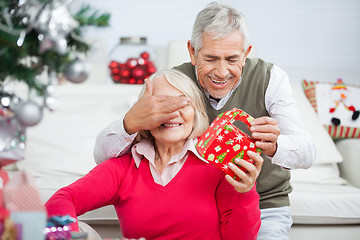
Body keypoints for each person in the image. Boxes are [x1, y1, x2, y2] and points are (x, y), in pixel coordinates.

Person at [93, 2, 316, 240]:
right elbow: (102, 157)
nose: (221, 72)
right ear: (192, 51)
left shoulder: (271, 78)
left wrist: (275, 145)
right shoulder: (174, 82)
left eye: (232, 59)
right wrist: (131, 122)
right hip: (198, 208)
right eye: (210, 58)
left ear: (247, 52)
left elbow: (307, 154)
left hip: (263, 208)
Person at [46, 69, 264, 240]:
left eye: (182, 103)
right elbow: (62, 200)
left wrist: (244, 192)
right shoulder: (123, 168)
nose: (171, 112)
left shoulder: (217, 166)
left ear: (196, 112)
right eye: (160, 105)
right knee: (78, 231)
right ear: (143, 115)